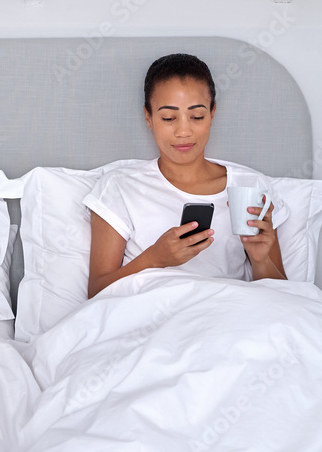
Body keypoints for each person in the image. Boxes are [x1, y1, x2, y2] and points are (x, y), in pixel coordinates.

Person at [86, 53, 286, 298]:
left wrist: (261, 260)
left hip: (228, 313)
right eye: (168, 118)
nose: (183, 131)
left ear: (212, 113)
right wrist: (154, 259)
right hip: (152, 314)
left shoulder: (250, 186)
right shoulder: (119, 187)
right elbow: (96, 293)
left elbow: (282, 297)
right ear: (148, 117)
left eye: (197, 117)